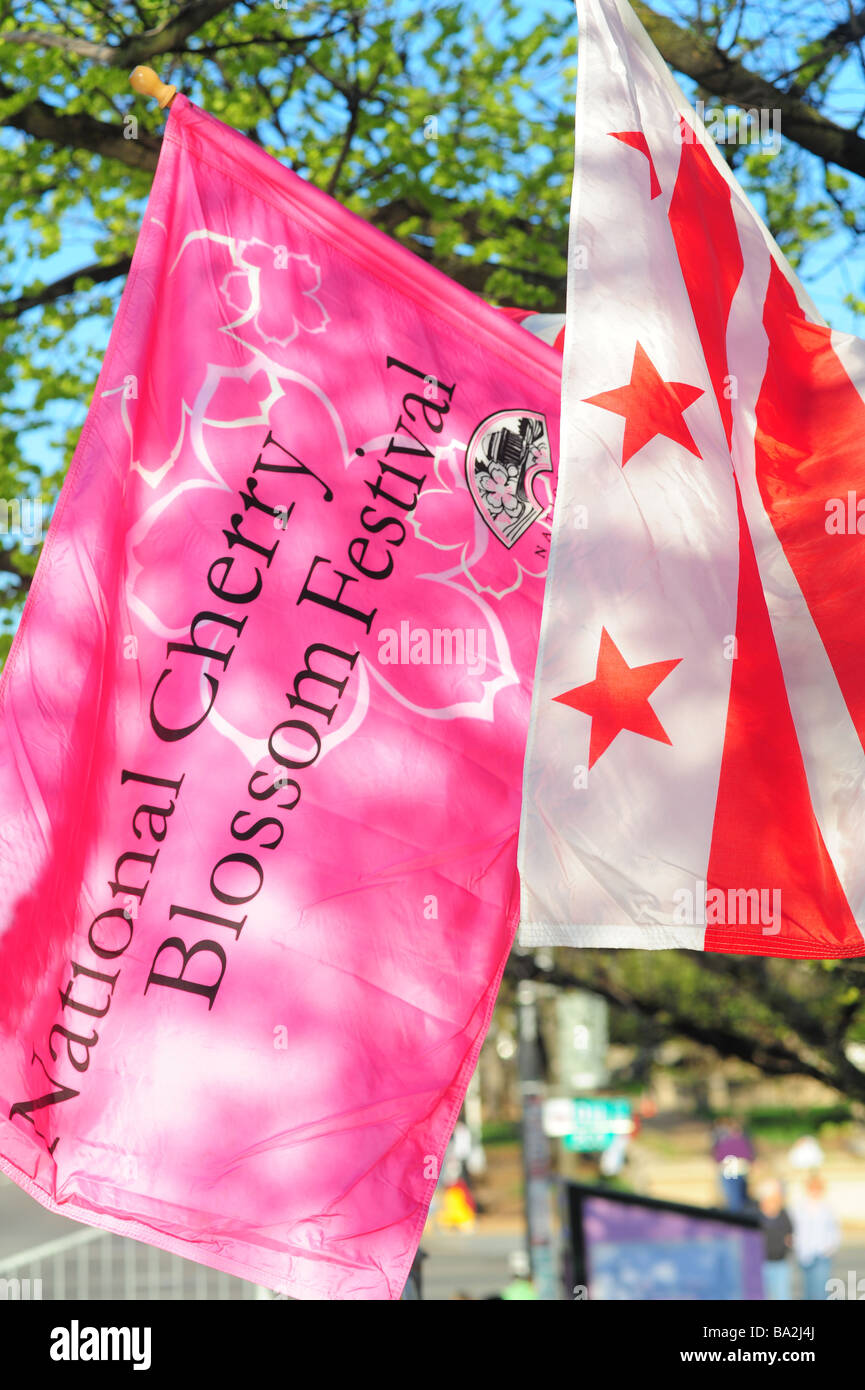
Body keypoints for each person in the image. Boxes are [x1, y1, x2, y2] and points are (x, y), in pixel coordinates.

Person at [791, 1174, 841, 1300]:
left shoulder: (828, 1207)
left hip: (822, 1254)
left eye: (818, 1188)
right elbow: (793, 1228)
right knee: (807, 1291)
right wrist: (796, 1244)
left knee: (820, 1291)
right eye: (812, 1188)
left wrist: (830, 1248)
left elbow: (835, 1230)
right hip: (804, 1253)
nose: (815, 1191)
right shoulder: (798, 1207)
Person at [756, 1179, 793, 1300]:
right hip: (762, 1263)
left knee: (783, 1294)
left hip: (780, 1262)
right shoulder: (756, 1217)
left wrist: (787, 1246)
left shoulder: (783, 1215)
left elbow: (790, 1234)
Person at [711, 1116, 755, 1212]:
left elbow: (718, 1156)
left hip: (731, 1167)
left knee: (734, 1198)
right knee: (738, 1197)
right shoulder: (741, 1140)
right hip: (737, 1167)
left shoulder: (728, 1140)